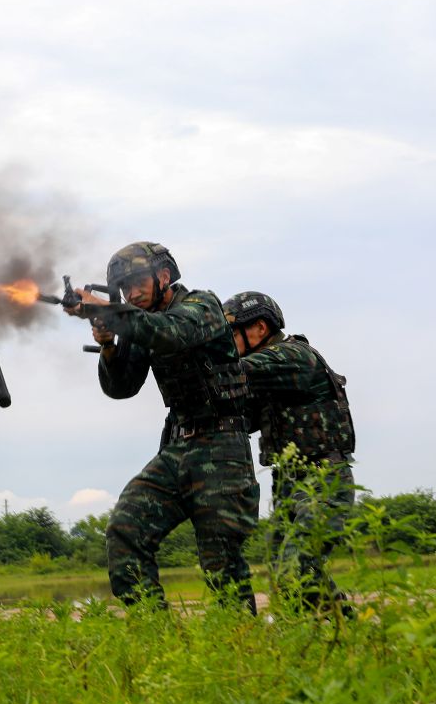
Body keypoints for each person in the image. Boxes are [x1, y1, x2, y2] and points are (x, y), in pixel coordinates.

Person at [68, 242, 259, 613]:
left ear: (165, 277)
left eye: (138, 282)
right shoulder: (139, 322)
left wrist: (111, 311)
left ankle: (242, 642)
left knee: (221, 560)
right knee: (126, 528)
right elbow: (121, 387)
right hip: (178, 449)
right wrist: (108, 345)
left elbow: (170, 332)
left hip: (222, 447)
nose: (131, 293)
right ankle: (152, 630)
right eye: (124, 288)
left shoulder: (201, 307)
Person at [222, 291, 356, 613]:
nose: (228, 342)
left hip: (323, 482)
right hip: (288, 487)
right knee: (287, 576)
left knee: (296, 566)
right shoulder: (269, 378)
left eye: (231, 333)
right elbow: (238, 413)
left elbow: (236, 369)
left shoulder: (292, 357)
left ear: (260, 329)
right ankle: (344, 632)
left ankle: (341, 631)